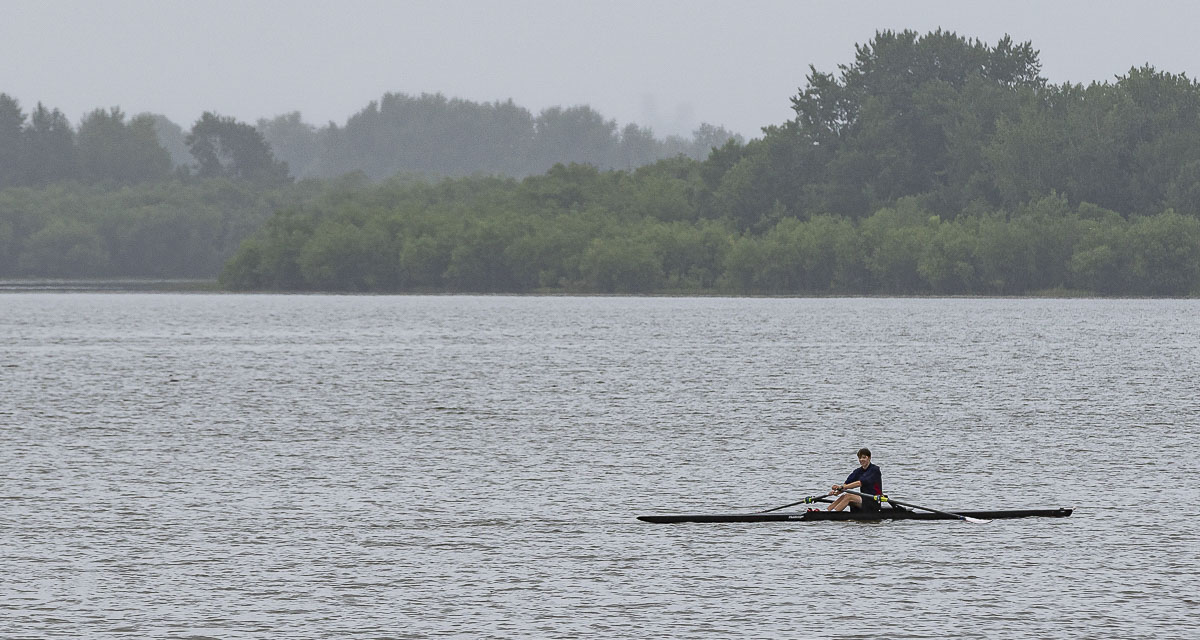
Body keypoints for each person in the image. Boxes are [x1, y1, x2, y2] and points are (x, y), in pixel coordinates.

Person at [826, 448, 882, 512]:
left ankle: (833, 514)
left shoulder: (875, 470)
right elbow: (846, 484)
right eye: (860, 458)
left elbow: (859, 483)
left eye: (864, 457)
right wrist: (837, 492)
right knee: (843, 496)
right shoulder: (858, 471)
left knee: (848, 496)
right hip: (864, 499)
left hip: (874, 501)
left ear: (869, 458)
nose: (861, 460)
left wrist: (842, 487)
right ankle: (827, 511)